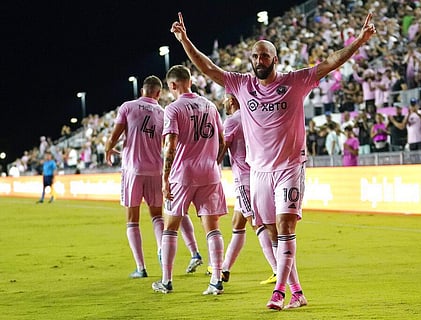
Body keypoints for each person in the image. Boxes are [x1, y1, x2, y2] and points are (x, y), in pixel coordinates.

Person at [170, 11, 376, 310]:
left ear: (275, 59)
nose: (259, 60)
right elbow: (208, 68)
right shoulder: (240, 84)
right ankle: (297, 292)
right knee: (267, 230)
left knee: (285, 225)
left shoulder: (295, 81)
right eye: (255, 56)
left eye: (264, 56)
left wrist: (359, 40)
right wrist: (185, 40)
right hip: (258, 172)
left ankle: (278, 292)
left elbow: (331, 62)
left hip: (290, 167)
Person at [151, 65, 228, 296]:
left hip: (183, 175)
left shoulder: (173, 109)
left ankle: (166, 281)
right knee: (212, 229)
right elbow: (223, 141)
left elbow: (170, 147)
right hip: (209, 174)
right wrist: (212, 162)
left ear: (172, 85)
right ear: (191, 80)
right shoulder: (210, 106)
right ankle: (216, 280)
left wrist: (165, 179)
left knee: (170, 228)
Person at [105, 75, 166, 279]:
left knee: (133, 220)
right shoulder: (164, 113)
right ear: (158, 93)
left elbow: (115, 135)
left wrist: (108, 149)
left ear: (142, 90)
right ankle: (161, 251)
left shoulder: (128, 107)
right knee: (157, 216)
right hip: (156, 170)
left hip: (133, 169)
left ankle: (141, 267)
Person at [215, 92, 277, 285]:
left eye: (225, 98)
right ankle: (224, 269)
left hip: (244, 178)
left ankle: (278, 270)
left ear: (232, 100)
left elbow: (223, 147)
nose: (223, 102)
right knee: (238, 223)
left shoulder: (232, 121)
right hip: (260, 175)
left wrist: (210, 165)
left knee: (256, 223)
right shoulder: (253, 116)